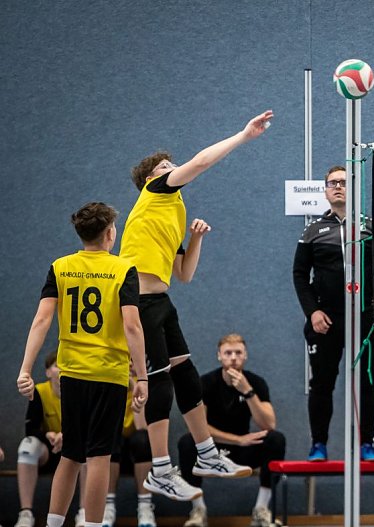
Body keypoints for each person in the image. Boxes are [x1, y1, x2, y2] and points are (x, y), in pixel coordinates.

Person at [120, 110, 273, 500]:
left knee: (186, 374)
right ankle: (159, 470)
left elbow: (184, 274)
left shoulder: (171, 211)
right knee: (160, 385)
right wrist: (242, 136)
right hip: (137, 302)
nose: (175, 167)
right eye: (167, 166)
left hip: (160, 301)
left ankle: (206, 453)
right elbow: (202, 161)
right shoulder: (155, 192)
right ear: (154, 177)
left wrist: (196, 239)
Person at [16, 202, 149, 527]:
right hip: (109, 374)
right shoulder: (122, 269)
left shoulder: (60, 267)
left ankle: (54, 523)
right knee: (99, 456)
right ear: (109, 233)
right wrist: (143, 377)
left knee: (71, 455)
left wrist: (25, 368)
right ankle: (91, 524)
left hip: (72, 373)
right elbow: (132, 326)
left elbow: (42, 320)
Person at [292, 165, 374, 462]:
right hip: (326, 321)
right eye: (332, 183)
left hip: (365, 319)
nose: (338, 186)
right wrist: (312, 312)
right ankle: (318, 445)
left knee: (367, 382)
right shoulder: (312, 230)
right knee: (322, 383)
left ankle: (366, 445)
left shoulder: (371, 226)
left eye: (344, 182)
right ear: (325, 190)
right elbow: (300, 275)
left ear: (353, 188)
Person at [177, 333, 286, 527]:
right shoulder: (206, 383)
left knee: (276, 439)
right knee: (187, 442)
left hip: (243, 452)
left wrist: (248, 392)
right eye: (228, 353)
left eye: (238, 352)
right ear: (219, 356)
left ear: (245, 356)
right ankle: (198, 511)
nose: (233, 358)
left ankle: (261, 510)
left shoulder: (256, 383)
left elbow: (269, 425)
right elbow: (197, 427)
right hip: (212, 451)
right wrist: (238, 439)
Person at [13, 354, 87, 527]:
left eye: (65, 364)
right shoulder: (40, 391)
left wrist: (67, 435)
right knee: (27, 446)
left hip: (73, 449)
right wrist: (48, 435)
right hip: (49, 450)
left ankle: (84, 512)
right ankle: (26, 513)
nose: (61, 369)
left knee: (90, 451)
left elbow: (88, 426)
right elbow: (30, 428)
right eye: (56, 365)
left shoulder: (81, 392)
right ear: (48, 372)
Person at [100, 369, 155, 527]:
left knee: (143, 439)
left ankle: (145, 507)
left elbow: (141, 426)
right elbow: (106, 425)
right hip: (113, 453)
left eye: (133, 359)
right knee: (111, 439)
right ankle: (108, 507)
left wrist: (134, 387)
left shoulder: (146, 385)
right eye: (127, 358)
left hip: (138, 455)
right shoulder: (110, 381)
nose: (130, 364)